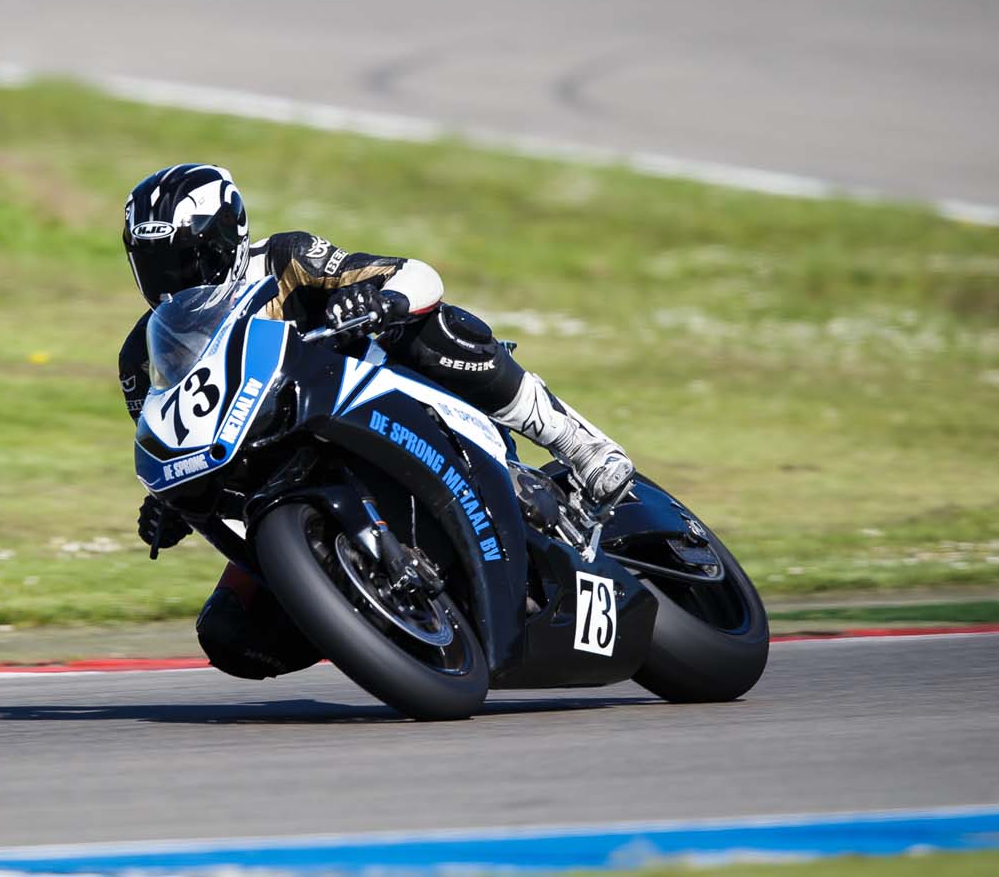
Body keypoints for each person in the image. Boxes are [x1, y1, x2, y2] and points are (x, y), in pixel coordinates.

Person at [119, 163, 633, 680]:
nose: (172, 283)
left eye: (188, 261)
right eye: (154, 266)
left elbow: (417, 275)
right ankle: (377, 621)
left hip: (371, 400)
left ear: (228, 241)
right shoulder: (141, 357)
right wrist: (170, 507)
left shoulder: (283, 260)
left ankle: (580, 443)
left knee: (438, 325)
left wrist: (379, 299)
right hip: (276, 482)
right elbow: (177, 447)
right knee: (230, 635)